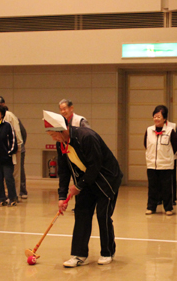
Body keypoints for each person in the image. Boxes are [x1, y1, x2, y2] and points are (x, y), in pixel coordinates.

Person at [43, 110, 123, 267]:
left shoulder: (86, 137)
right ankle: (79, 254)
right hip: (86, 181)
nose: (53, 138)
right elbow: (65, 171)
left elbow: (95, 165)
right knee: (81, 214)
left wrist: (78, 186)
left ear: (63, 130)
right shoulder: (61, 144)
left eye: (53, 134)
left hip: (107, 180)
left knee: (103, 215)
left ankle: (108, 252)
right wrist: (61, 197)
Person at [144, 105, 177, 216]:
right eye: (155, 116)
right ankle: (151, 207)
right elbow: (146, 144)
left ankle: (168, 208)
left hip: (166, 164)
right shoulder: (149, 130)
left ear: (164, 119)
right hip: (151, 164)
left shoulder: (170, 131)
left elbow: (175, 146)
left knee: (166, 187)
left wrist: (166, 156)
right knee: (152, 187)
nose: (156, 119)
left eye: (159, 117)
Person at [0, 96, 23, 200]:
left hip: (12, 150)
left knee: (12, 175)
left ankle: (14, 195)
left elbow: (16, 132)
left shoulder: (8, 115)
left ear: (3, 105)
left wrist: (17, 147)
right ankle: (3, 196)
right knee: (0, 176)